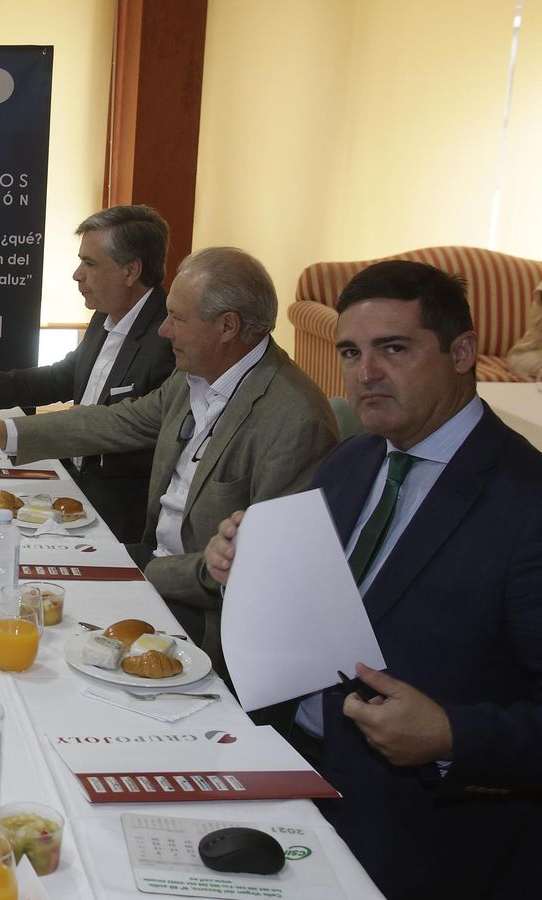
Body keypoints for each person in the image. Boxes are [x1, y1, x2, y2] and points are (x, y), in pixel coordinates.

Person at [203, 261, 542, 900]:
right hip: (284, 766)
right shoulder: (354, 459)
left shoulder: (526, 502)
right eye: (352, 352)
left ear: (462, 351)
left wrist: (450, 735)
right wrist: (244, 569)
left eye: (394, 349)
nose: (366, 373)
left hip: (415, 832)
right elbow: (323, 608)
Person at [0, 247, 336, 667]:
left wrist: (144, 573)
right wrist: (1, 431)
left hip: (207, 615)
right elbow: (118, 421)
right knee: (8, 582)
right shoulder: (197, 376)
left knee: (47, 644)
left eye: (179, 318)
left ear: (228, 326)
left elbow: (258, 572)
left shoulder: (295, 420)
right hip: (149, 560)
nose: (164, 330)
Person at [0, 204, 176, 542]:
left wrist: (2, 431)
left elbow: (119, 427)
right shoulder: (106, 315)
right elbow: (64, 376)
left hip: (113, 515)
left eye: (89, 263)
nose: (77, 274)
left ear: (130, 271)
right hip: (67, 481)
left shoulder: (168, 339)